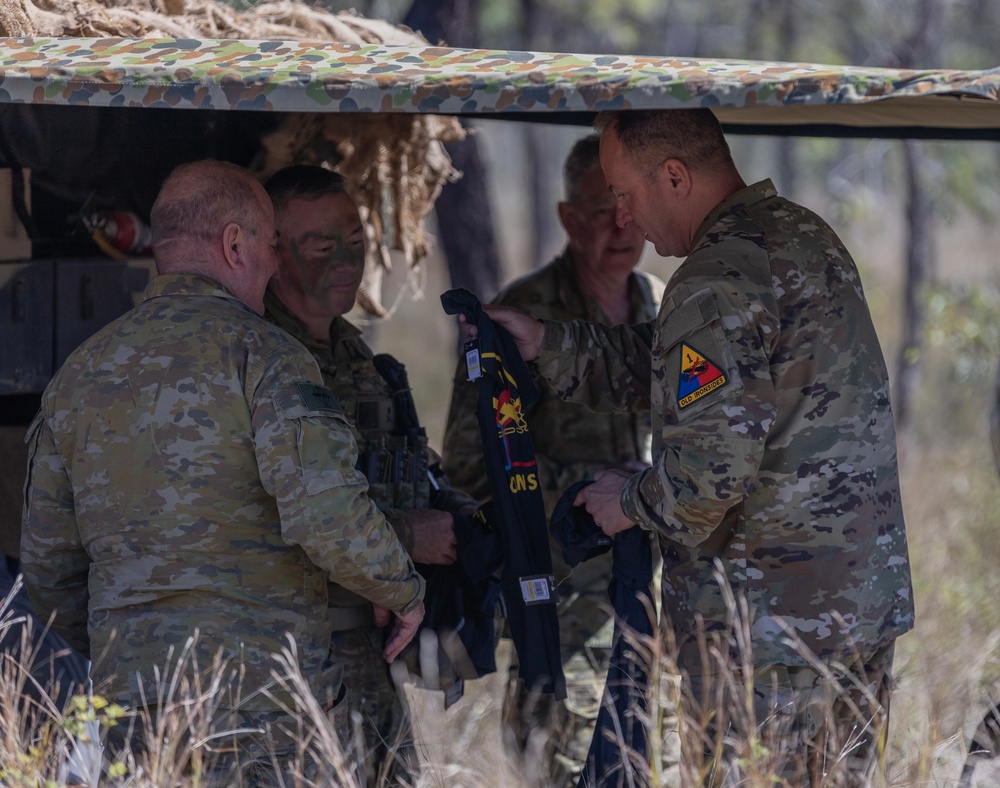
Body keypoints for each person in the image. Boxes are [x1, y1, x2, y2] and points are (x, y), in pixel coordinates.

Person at [471, 109, 915, 785]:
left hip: (768, 636)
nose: (623, 217)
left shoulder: (714, 277)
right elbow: (691, 368)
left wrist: (625, 502)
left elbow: (703, 484)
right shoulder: (800, 235)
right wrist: (548, 345)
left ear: (673, 176)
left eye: (625, 193)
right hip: (851, 616)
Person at [19, 160, 425, 782]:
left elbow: (48, 570)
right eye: (270, 244)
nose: (273, 264)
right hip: (265, 705)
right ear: (235, 243)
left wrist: (128, 649)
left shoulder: (77, 375)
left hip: (138, 711)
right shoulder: (268, 358)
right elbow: (326, 514)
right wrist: (402, 590)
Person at [441, 135, 662, 784]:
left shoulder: (662, 303)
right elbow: (470, 472)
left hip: (650, 605)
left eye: (629, 207)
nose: (620, 228)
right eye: (600, 210)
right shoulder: (525, 317)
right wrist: (589, 496)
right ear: (567, 219)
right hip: (562, 609)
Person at [262, 164, 483, 780]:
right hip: (303, 648)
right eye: (321, 245)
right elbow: (264, 510)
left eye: (355, 242)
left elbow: (400, 464)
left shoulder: (353, 353)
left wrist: (457, 516)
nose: (345, 260)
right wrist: (408, 535)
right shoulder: (261, 359)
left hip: (368, 639)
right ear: (273, 253)